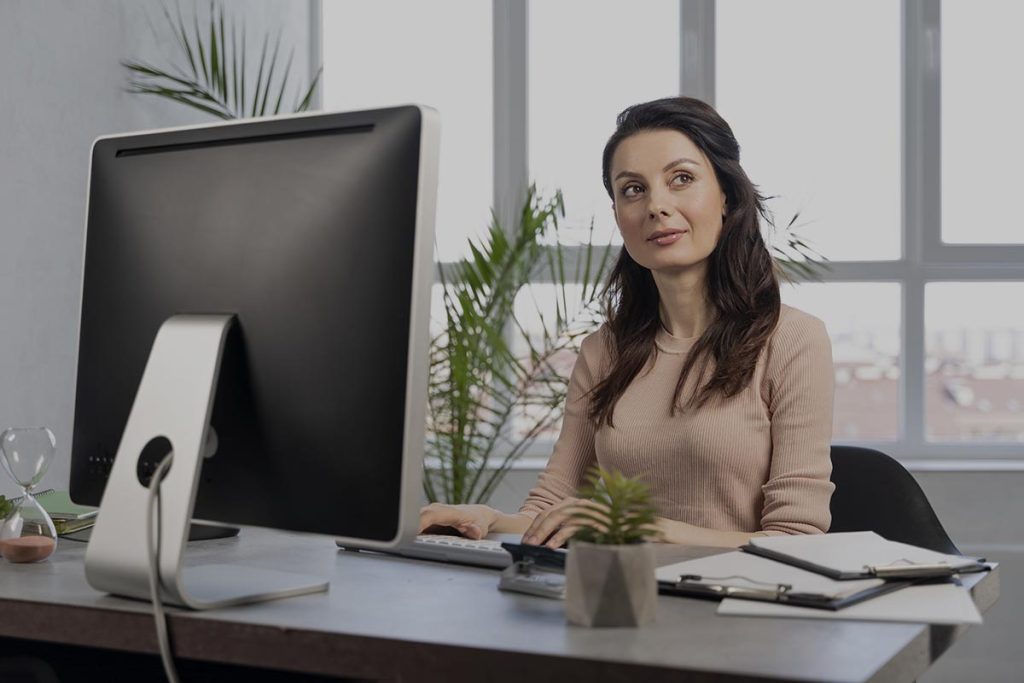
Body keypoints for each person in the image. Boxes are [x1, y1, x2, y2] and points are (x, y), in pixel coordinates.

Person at [419, 96, 834, 548]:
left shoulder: (792, 339)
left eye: (681, 179)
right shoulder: (604, 351)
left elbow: (797, 539)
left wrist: (643, 528)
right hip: (621, 588)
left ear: (726, 197)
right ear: (618, 215)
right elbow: (555, 504)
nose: (657, 205)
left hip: (736, 592)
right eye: (633, 189)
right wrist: (487, 519)